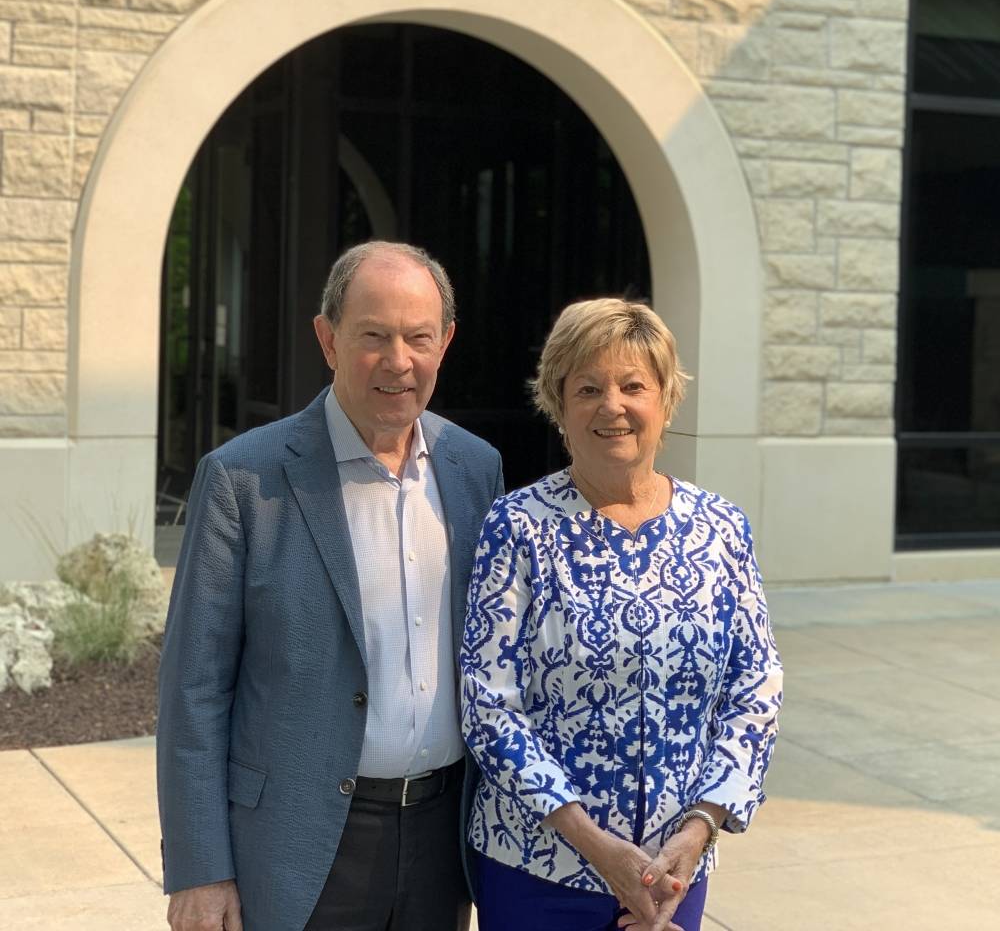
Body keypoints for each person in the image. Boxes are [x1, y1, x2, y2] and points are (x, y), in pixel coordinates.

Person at [157, 241, 503, 931]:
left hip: (442, 840)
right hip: (298, 843)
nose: (397, 361)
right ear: (327, 338)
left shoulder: (476, 468)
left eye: (417, 338)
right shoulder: (243, 479)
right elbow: (193, 689)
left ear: (447, 344)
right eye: (373, 336)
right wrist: (201, 869)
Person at [461, 298, 782, 931]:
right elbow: (488, 703)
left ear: (665, 400)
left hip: (674, 872)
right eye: (588, 388)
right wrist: (598, 849)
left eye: (633, 385)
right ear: (559, 405)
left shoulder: (720, 529)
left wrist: (698, 831)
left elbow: (757, 690)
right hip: (537, 870)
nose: (613, 406)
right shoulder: (517, 527)